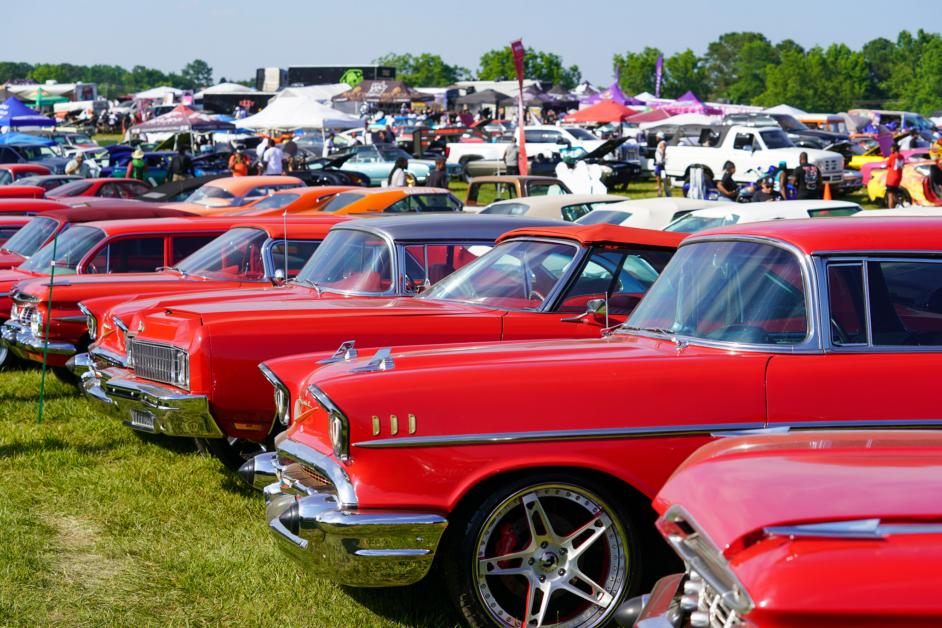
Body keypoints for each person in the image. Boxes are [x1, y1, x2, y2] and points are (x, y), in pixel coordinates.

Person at [884, 142, 905, 208]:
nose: (890, 149)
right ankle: (902, 205)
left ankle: (890, 210)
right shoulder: (902, 156)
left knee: (890, 195)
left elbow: (887, 164)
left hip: (892, 178)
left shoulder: (892, 156)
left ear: (894, 148)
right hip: (898, 177)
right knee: (894, 194)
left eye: (891, 148)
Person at [654, 131, 669, 197]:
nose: (656, 138)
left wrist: (661, 161)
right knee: (659, 175)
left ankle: (660, 188)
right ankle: (660, 187)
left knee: (659, 175)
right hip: (659, 161)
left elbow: (663, 152)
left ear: (660, 137)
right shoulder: (661, 143)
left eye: (657, 137)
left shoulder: (662, 143)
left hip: (660, 162)